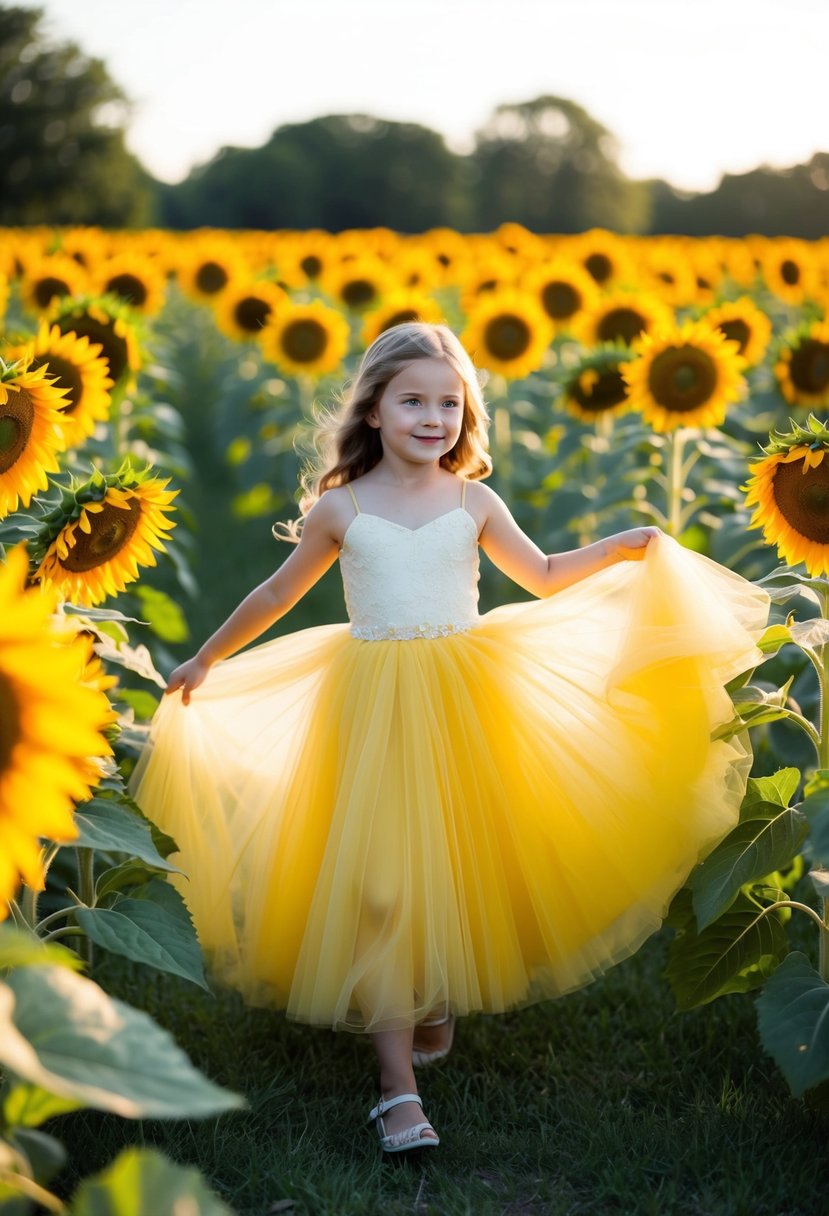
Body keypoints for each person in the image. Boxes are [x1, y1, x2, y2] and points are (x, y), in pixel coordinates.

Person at [128, 322, 769, 1156]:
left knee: (462, 859)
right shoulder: (342, 508)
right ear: (374, 410)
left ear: (465, 414)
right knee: (382, 884)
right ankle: (398, 1091)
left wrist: (617, 548)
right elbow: (278, 594)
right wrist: (207, 655)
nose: (433, 418)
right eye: (413, 401)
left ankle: (431, 994)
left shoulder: (472, 500)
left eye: (448, 402)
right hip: (369, 706)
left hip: (467, 699)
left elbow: (537, 575)